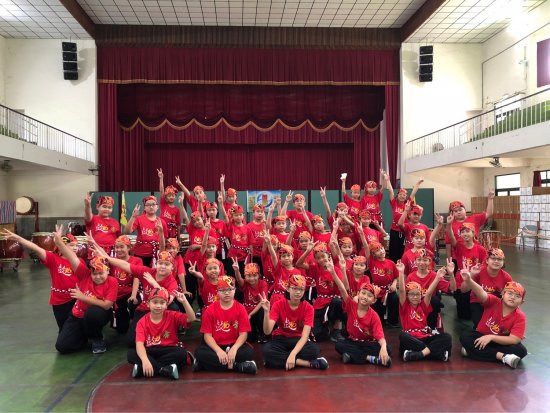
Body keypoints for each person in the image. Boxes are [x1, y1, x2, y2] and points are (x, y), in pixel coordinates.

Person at [93, 246, 179, 347]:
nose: (163, 266)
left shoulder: (172, 282)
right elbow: (126, 265)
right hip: (145, 309)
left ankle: (159, 335)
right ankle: (150, 336)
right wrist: (107, 258)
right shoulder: (148, 272)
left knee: (173, 307)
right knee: (131, 341)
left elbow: (168, 300)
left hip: (160, 311)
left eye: (167, 264)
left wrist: (154, 283)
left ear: (172, 267)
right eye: (160, 263)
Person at [53, 226, 118, 354]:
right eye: (94, 273)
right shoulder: (84, 274)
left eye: (101, 273)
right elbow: (71, 256)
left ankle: (96, 338)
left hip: (97, 314)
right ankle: (84, 335)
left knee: (93, 313)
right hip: (78, 314)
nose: (97, 277)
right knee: (62, 346)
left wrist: (83, 297)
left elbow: (106, 305)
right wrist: (59, 242)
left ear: (107, 271)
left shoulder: (112, 281)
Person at [0, 228, 80, 332]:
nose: (75, 248)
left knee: (77, 326)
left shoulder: (79, 261)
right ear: (62, 247)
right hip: (60, 301)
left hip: (77, 299)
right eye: (72, 245)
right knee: (64, 328)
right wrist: (18, 238)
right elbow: (35, 248)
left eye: (76, 245)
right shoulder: (54, 259)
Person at [459, 270, 527, 369]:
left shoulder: (520, 316)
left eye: (517, 296)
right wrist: (469, 280)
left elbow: (514, 339)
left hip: (500, 341)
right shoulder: (493, 301)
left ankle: (472, 352)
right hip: (481, 337)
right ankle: (502, 357)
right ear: (503, 294)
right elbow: (481, 293)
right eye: (510, 293)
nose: (513, 297)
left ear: (521, 302)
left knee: (521, 351)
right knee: (465, 336)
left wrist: (491, 337)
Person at [329, 261, 392, 367]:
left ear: (373, 301)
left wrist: (383, 347)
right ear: (358, 294)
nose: (365, 297)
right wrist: (332, 272)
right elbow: (342, 289)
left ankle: (351, 357)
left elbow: (380, 335)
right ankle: (370, 358)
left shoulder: (374, 315)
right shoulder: (351, 305)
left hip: (368, 343)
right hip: (353, 341)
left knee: (388, 349)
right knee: (339, 345)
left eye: (369, 296)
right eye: (363, 293)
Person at [261, 274, 329, 370]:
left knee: (313, 351)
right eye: (294, 288)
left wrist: (293, 354)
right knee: (266, 350)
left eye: (301, 289)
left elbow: (305, 336)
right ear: (288, 289)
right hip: (281, 338)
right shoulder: (278, 305)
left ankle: (278, 360)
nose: (298, 292)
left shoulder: (309, 308)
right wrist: (266, 312)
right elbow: (267, 331)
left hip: (298, 338)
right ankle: (305, 363)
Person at [193, 276, 257, 374]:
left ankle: (204, 365)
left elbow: (243, 334)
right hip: (215, 346)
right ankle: (238, 366)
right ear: (217, 292)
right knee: (199, 352)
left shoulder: (241, 308)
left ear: (234, 290)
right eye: (223, 290)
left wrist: (234, 349)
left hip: (234, 344)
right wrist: (218, 351)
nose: (227, 293)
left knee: (248, 352)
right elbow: (207, 336)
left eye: (230, 289)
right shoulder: (209, 310)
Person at [128, 287, 196, 380]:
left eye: (162, 302)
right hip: (150, 350)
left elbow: (191, 318)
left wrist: (184, 302)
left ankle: (143, 369)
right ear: (148, 304)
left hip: (168, 349)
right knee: (131, 354)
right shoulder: (142, 321)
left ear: (166, 305)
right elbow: (139, 344)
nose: (158, 306)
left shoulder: (172, 315)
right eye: (155, 302)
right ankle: (165, 370)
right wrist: (145, 360)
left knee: (182, 353)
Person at [397, 260, 453, 362]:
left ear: (421, 296)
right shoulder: (405, 306)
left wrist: (437, 277)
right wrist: (401, 272)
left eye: (417, 294)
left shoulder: (423, 306)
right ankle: (435, 353)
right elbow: (401, 291)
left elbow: (429, 293)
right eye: (411, 294)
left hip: (425, 336)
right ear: (407, 296)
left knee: (447, 337)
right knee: (403, 336)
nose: (415, 297)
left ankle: (418, 354)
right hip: (411, 338)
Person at [297, 242, 345, 342]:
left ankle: (336, 329)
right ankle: (326, 327)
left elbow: (342, 288)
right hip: (320, 303)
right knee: (318, 336)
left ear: (328, 256)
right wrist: (308, 251)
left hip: (333, 301)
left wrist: (332, 272)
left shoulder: (336, 270)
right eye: (318, 258)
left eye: (323, 256)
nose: (321, 259)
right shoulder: (316, 268)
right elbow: (298, 264)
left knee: (338, 302)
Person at [448, 220, 488, 321]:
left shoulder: (480, 249)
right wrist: (449, 225)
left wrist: (476, 273)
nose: (465, 234)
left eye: (467, 231)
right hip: (461, 279)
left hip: (475, 279)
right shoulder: (459, 247)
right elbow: (452, 239)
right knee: (463, 315)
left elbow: (485, 265)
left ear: (473, 233)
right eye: (462, 232)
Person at [406, 250, 456, 330]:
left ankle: (432, 328)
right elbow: (407, 296)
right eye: (419, 260)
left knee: (434, 300)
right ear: (415, 261)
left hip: (430, 307)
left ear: (429, 261)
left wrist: (451, 274)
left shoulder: (435, 275)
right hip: (416, 306)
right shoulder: (410, 277)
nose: (421, 262)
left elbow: (453, 288)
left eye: (425, 260)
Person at [464, 248, 513, 329]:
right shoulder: (478, 271)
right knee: (481, 325)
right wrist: (471, 276)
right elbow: (464, 290)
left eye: (499, 259)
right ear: (487, 260)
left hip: (495, 304)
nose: (496, 261)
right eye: (493, 258)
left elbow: (510, 296)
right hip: (478, 302)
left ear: (503, 262)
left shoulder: (506, 277)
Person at [105, 235, 143, 334]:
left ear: (129, 247)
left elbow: (136, 277)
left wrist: (133, 295)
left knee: (134, 304)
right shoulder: (112, 260)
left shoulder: (137, 260)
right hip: (117, 294)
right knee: (121, 330)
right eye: (116, 247)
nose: (119, 250)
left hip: (130, 291)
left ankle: (137, 324)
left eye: (122, 247)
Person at [445, 191, 494, 260]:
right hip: (458, 256)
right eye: (455, 211)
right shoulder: (450, 225)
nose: (458, 212)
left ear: (465, 210)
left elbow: (489, 213)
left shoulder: (474, 218)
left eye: (460, 210)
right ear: (452, 213)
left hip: (475, 254)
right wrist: (449, 260)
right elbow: (448, 244)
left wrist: (490, 199)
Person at [385, 173, 423, 262]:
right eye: (400, 194)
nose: (402, 196)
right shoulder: (394, 203)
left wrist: (418, 183)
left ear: (406, 196)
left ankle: (403, 266)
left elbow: (413, 192)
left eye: (404, 195)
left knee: (403, 251)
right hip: (394, 230)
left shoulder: (408, 203)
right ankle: (394, 266)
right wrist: (387, 180)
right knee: (393, 251)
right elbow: (391, 191)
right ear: (397, 195)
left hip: (405, 230)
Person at [124, 196, 168, 267]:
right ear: (144, 208)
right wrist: (133, 216)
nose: (151, 207)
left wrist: (161, 232)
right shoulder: (139, 219)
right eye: (148, 205)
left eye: (153, 204)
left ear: (157, 207)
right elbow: (127, 231)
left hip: (155, 255)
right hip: (140, 254)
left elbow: (164, 241)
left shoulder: (161, 222)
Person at [233, 261, 269, 343]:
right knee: (250, 338)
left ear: (259, 275)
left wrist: (250, 314)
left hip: (257, 311)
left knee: (263, 310)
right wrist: (237, 270)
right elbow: (239, 279)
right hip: (246, 310)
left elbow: (262, 302)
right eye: (249, 276)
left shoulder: (263, 284)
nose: (252, 278)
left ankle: (262, 333)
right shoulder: (245, 283)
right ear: (245, 276)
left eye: (254, 275)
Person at [367, 241, 399, 327]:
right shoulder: (372, 262)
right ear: (373, 254)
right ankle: (378, 321)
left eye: (381, 248)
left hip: (389, 289)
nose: (381, 251)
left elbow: (396, 276)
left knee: (395, 298)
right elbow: (366, 250)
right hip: (377, 290)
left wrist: (394, 284)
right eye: (377, 250)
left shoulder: (391, 263)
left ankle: (392, 322)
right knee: (376, 307)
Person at [157, 168, 181, 239]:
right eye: (169, 195)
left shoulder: (177, 210)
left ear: (175, 197)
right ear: (166, 197)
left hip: (172, 235)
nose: (171, 197)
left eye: (173, 195)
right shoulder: (163, 204)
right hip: (162, 232)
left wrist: (179, 238)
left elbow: (178, 225)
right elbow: (161, 191)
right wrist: (161, 178)